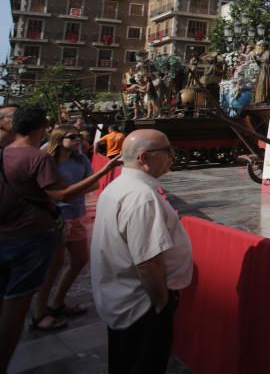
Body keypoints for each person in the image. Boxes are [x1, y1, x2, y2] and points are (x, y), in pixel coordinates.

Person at [0, 106, 119, 372]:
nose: (78, 141)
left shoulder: (4, 153)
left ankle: (53, 305)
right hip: (34, 232)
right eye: (72, 137)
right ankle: (32, 323)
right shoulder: (40, 158)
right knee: (16, 303)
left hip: (10, 232)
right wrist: (105, 171)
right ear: (43, 128)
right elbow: (62, 195)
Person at [91, 129, 192, 374]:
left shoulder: (120, 187)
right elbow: (148, 261)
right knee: (143, 362)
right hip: (141, 305)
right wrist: (160, 303)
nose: (172, 156)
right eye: (167, 151)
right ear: (145, 157)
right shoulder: (141, 197)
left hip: (122, 297)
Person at [31, 125, 116, 330]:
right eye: (72, 137)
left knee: (79, 260)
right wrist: (66, 193)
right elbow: (46, 190)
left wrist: (69, 192)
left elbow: (93, 184)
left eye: (79, 136)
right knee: (54, 265)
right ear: (59, 140)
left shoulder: (81, 159)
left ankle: (57, 302)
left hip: (76, 214)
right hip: (55, 217)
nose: (78, 140)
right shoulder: (46, 159)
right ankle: (39, 312)